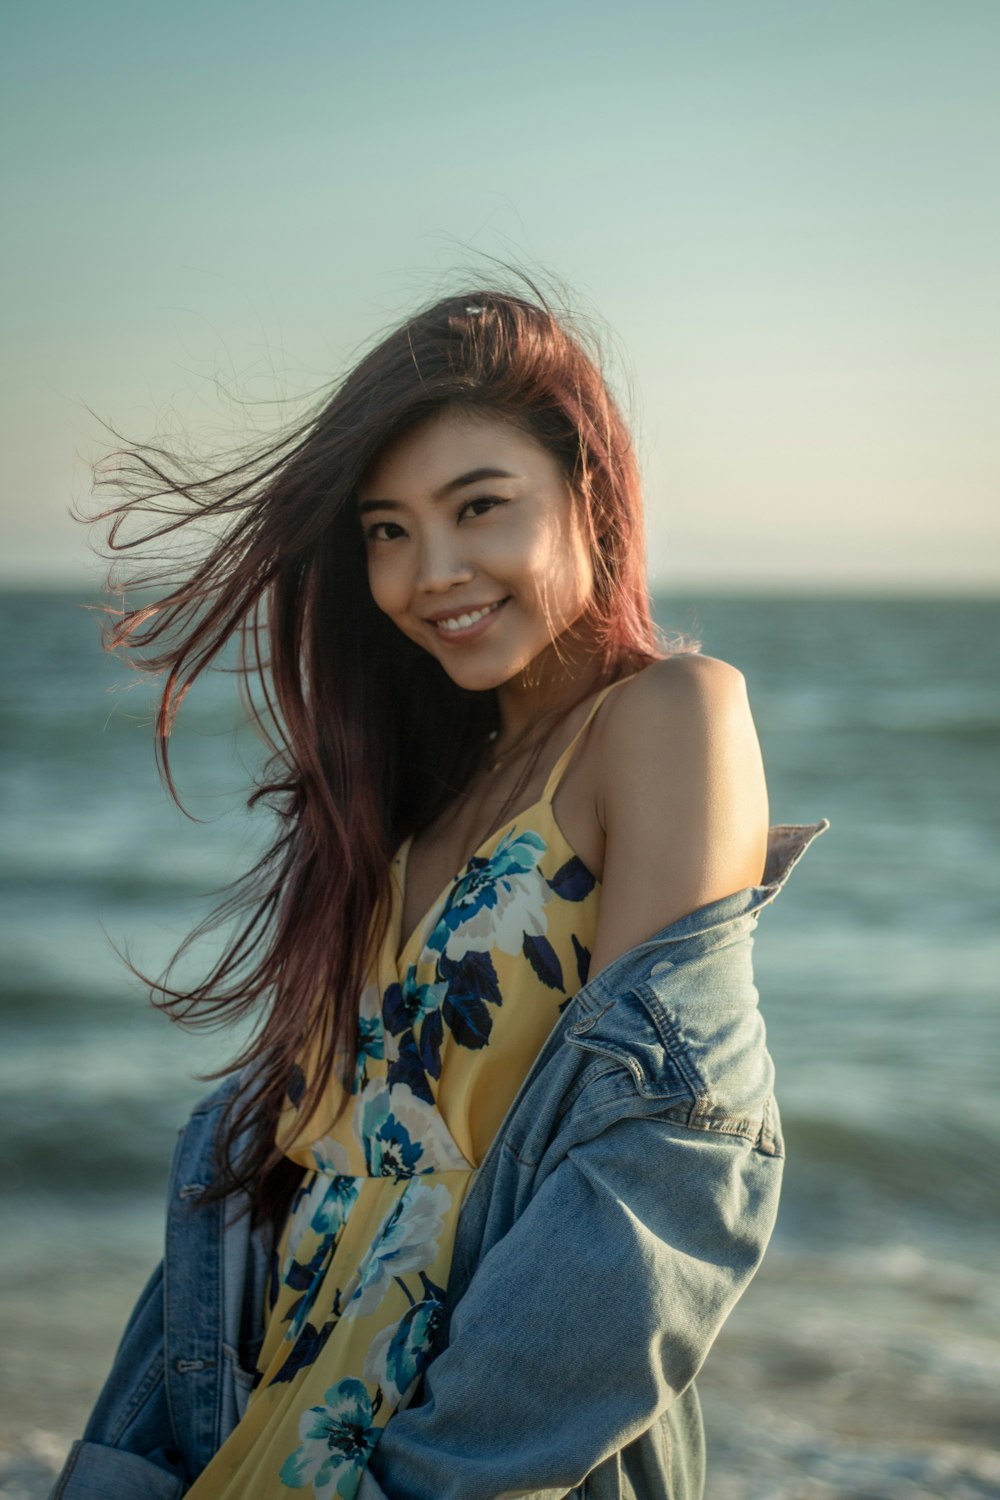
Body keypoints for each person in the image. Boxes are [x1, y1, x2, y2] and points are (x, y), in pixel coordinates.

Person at [52, 283, 828, 1500]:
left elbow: (663, 1168)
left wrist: (425, 1481)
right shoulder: (412, 807)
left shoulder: (666, 718)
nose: (433, 572)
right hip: (259, 1445)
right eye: (387, 531)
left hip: (458, 1458)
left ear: (589, 491)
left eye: (479, 508)